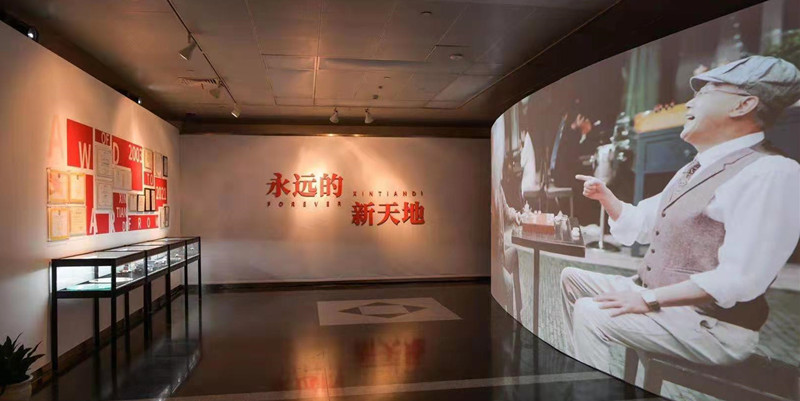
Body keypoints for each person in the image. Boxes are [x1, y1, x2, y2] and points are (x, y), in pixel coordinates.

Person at [560, 56, 800, 373]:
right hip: (662, 300)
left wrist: (649, 300)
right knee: (571, 277)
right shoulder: (696, 167)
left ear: (743, 105)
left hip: (714, 327)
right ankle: (580, 374)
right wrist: (607, 197)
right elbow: (644, 222)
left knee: (591, 312)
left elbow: (740, 279)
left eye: (706, 92)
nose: (690, 102)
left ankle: (589, 391)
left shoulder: (771, 172)